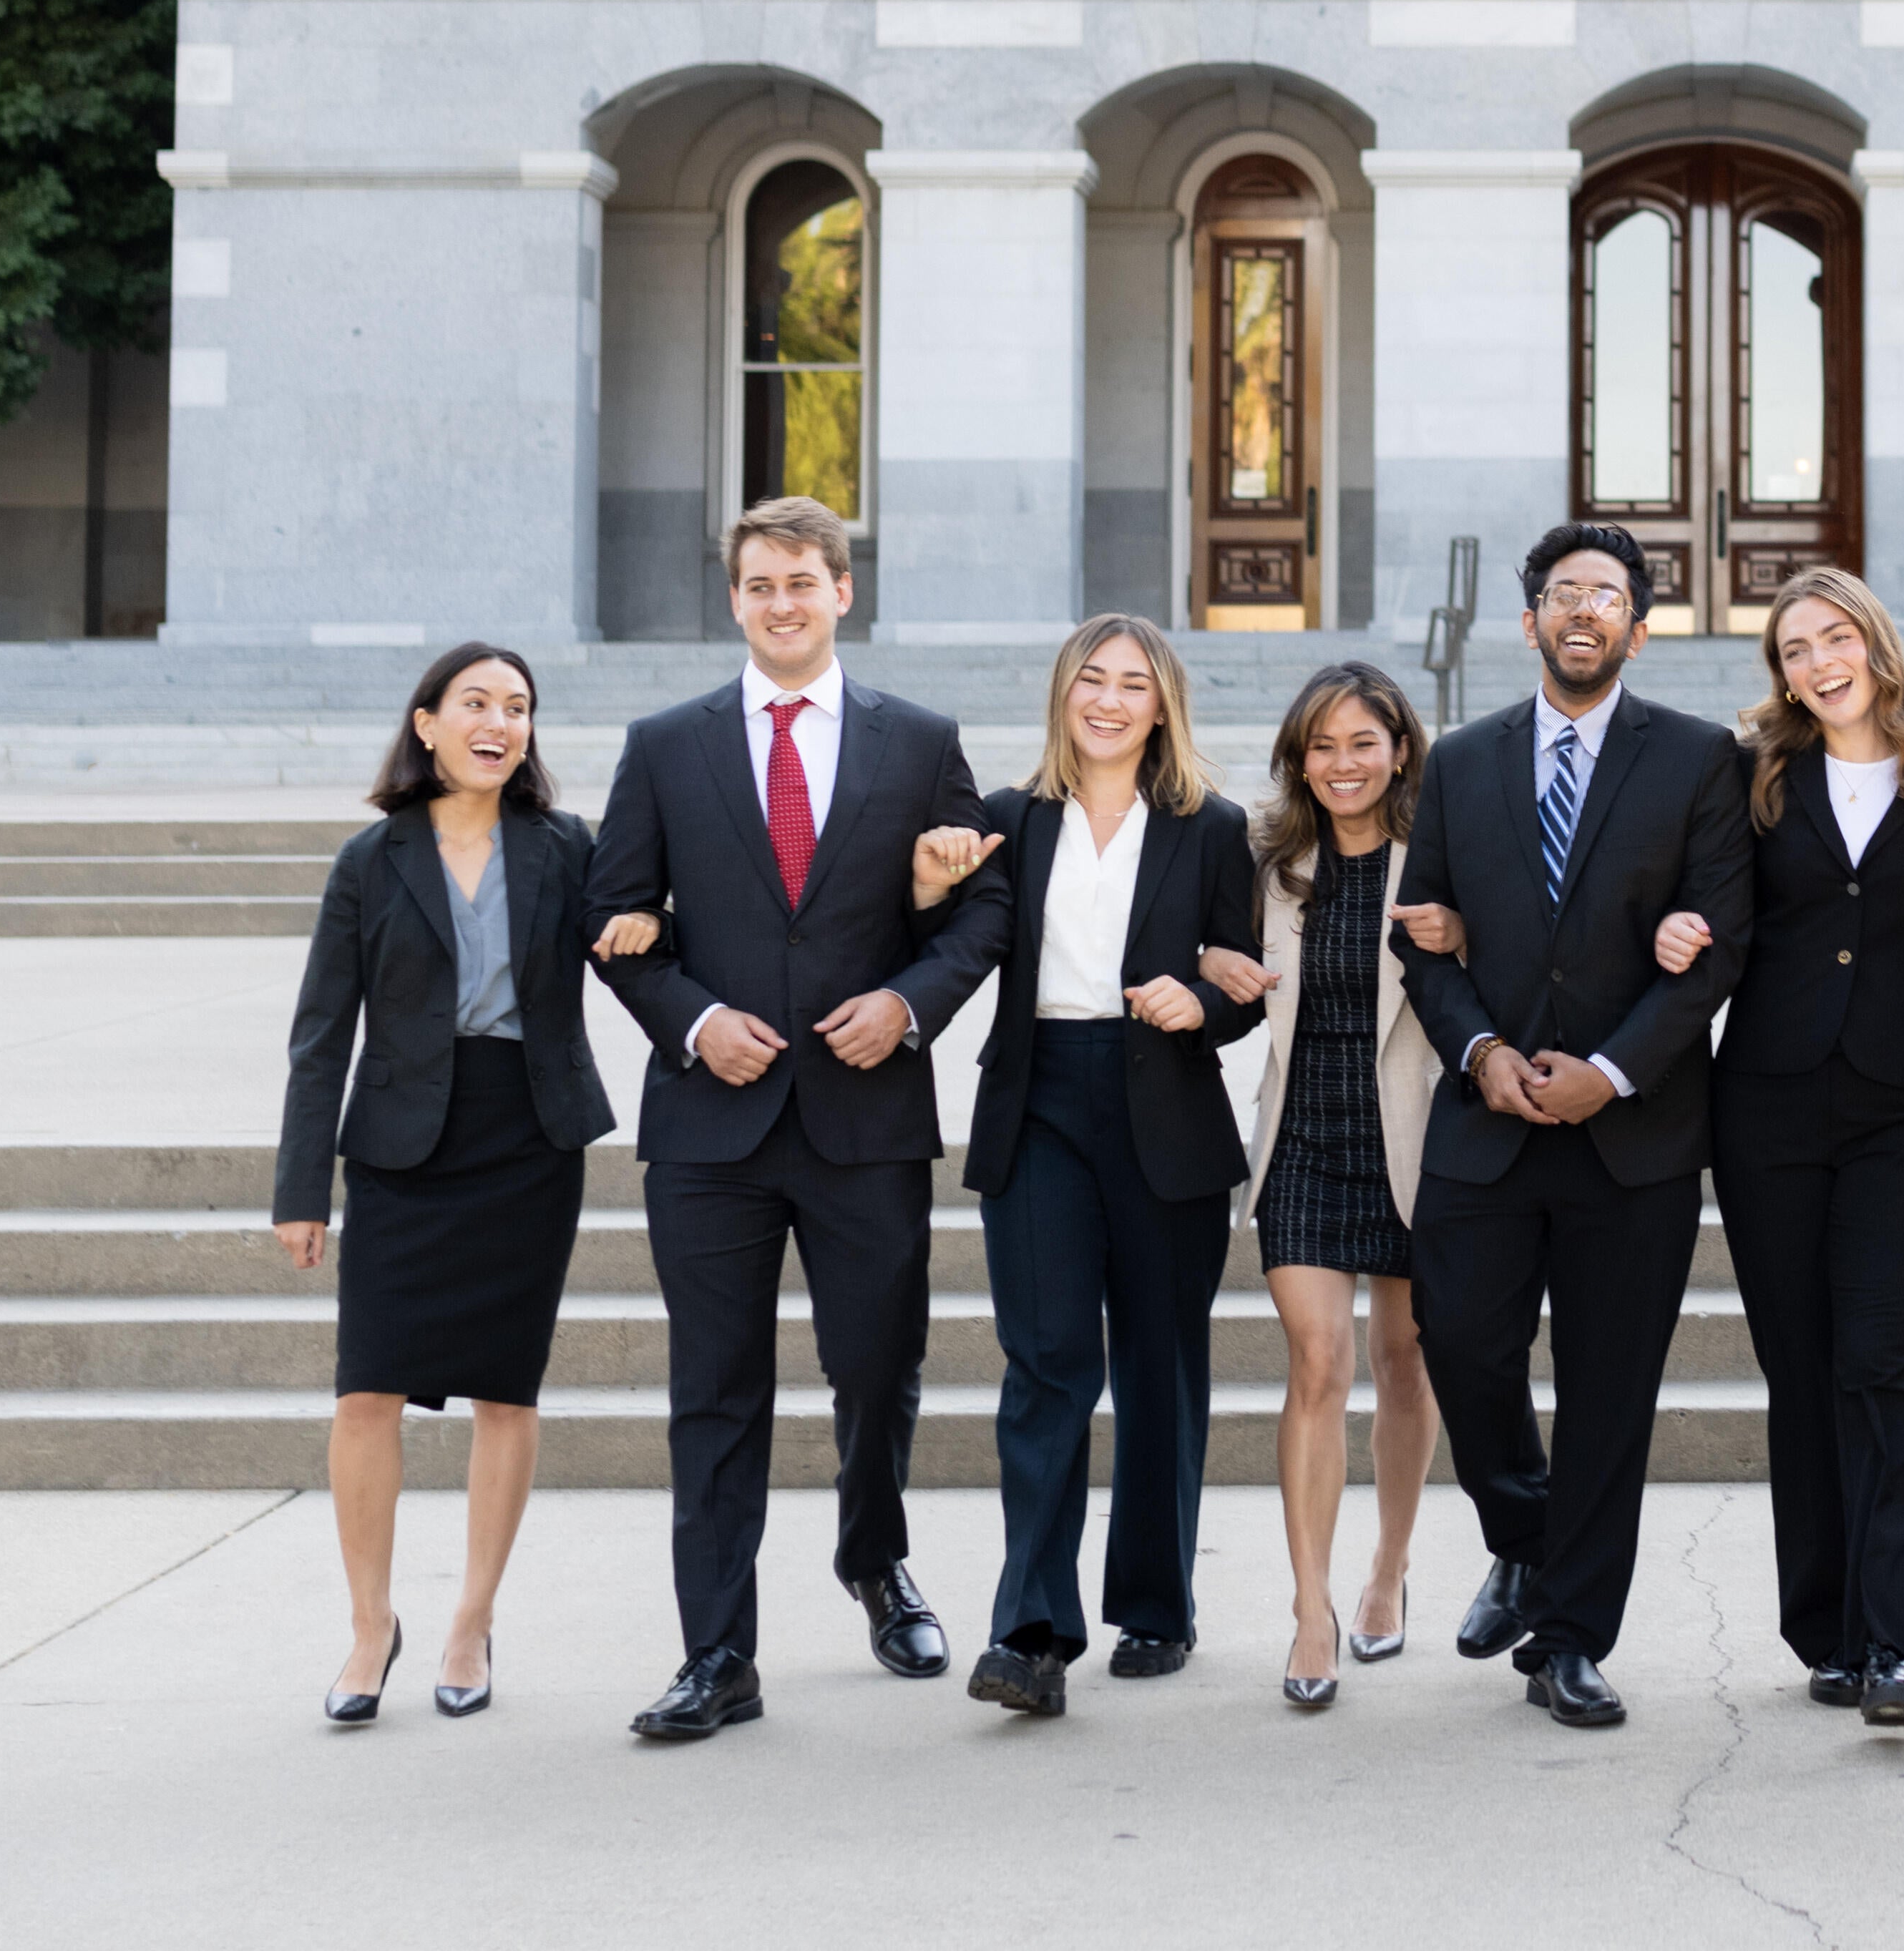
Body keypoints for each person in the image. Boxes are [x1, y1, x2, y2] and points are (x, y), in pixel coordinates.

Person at [585, 497, 1011, 1742]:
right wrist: (689, 1020)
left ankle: (874, 1560)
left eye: (803, 582)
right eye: (760, 585)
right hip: (708, 1130)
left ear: (843, 593)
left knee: (876, 1369)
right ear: (735, 601)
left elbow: (980, 911)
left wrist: (910, 1001)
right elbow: (613, 922)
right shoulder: (665, 746)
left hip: (865, 1117)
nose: (782, 603)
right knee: (714, 1390)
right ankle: (717, 1653)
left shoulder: (920, 741)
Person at [1391, 521, 1757, 1728]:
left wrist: (1611, 1069)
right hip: (1485, 1125)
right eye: (1562, 595)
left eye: (1606, 596)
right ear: (1531, 621)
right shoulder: (1458, 761)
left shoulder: (1701, 760)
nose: (1582, 611)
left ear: (1638, 629)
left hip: (1630, 1134)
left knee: (1610, 1394)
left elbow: (1717, 945)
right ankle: (1522, 1535)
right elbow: (1423, 935)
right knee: (1466, 1348)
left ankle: (1572, 1638)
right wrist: (1482, 1052)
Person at [1681, 569, 1904, 1728]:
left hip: (1898, 1113)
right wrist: (1668, 928)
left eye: (1835, 638)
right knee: (1801, 1375)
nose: (1817, 662)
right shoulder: (1750, 773)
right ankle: (1823, 1629)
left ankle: (1892, 1646)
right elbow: (1699, 898)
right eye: (1793, 649)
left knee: (1878, 1369)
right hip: (1767, 1109)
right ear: (1777, 672)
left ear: (1875, 645)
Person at [274, 641, 620, 1726]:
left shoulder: (567, 848)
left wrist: (651, 923)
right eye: (476, 702)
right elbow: (321, 1033)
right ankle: (371, 1626)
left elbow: (643, 938)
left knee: (504, 1393)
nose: (499, 721)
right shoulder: (370, 861)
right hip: (400, 1150)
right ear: (425, 723)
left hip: (527, 1138)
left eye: (518, 707)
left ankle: (471, 1618)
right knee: (366, 1390)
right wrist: (300, 1185)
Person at [929, 614, 1264, 1719]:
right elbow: (941, 927)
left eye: (1133, 683)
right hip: (1040, 1108)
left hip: (1163, 1106)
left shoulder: (1211, 829)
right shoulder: (1004, 822)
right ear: (1063, 695)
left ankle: (1157, 1608)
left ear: (1162, 705)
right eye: (1091, 679)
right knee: (1047, 1365)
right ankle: (1030, 1630)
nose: (1109, 699)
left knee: (1162, 1366)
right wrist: (927, 883)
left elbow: (1239, 976)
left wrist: (1202, 1002)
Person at [1196, 660, 1454, 1710]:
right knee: (1317, 1362)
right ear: (1298, 759)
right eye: (1322, 746)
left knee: (1402, 1362)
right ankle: (1311, 1608)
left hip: (1415, 1142)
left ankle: (1387, 1568)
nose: (1341, 764)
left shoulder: (1439, 859)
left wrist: (1464, 938)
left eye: (1361, 743)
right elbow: (1231, 997)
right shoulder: (1268, 861)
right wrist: (1214, 978)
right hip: (1301, 1136)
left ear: (1397, 749)